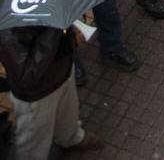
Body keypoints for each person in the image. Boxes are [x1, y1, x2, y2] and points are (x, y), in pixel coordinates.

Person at [0, 24, 102, 158]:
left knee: (68, 112)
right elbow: (27, 74)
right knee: (33, 142)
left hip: (62, 70)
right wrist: (56, 29)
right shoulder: (7, 28)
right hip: (37, 94)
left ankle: (71, 138)